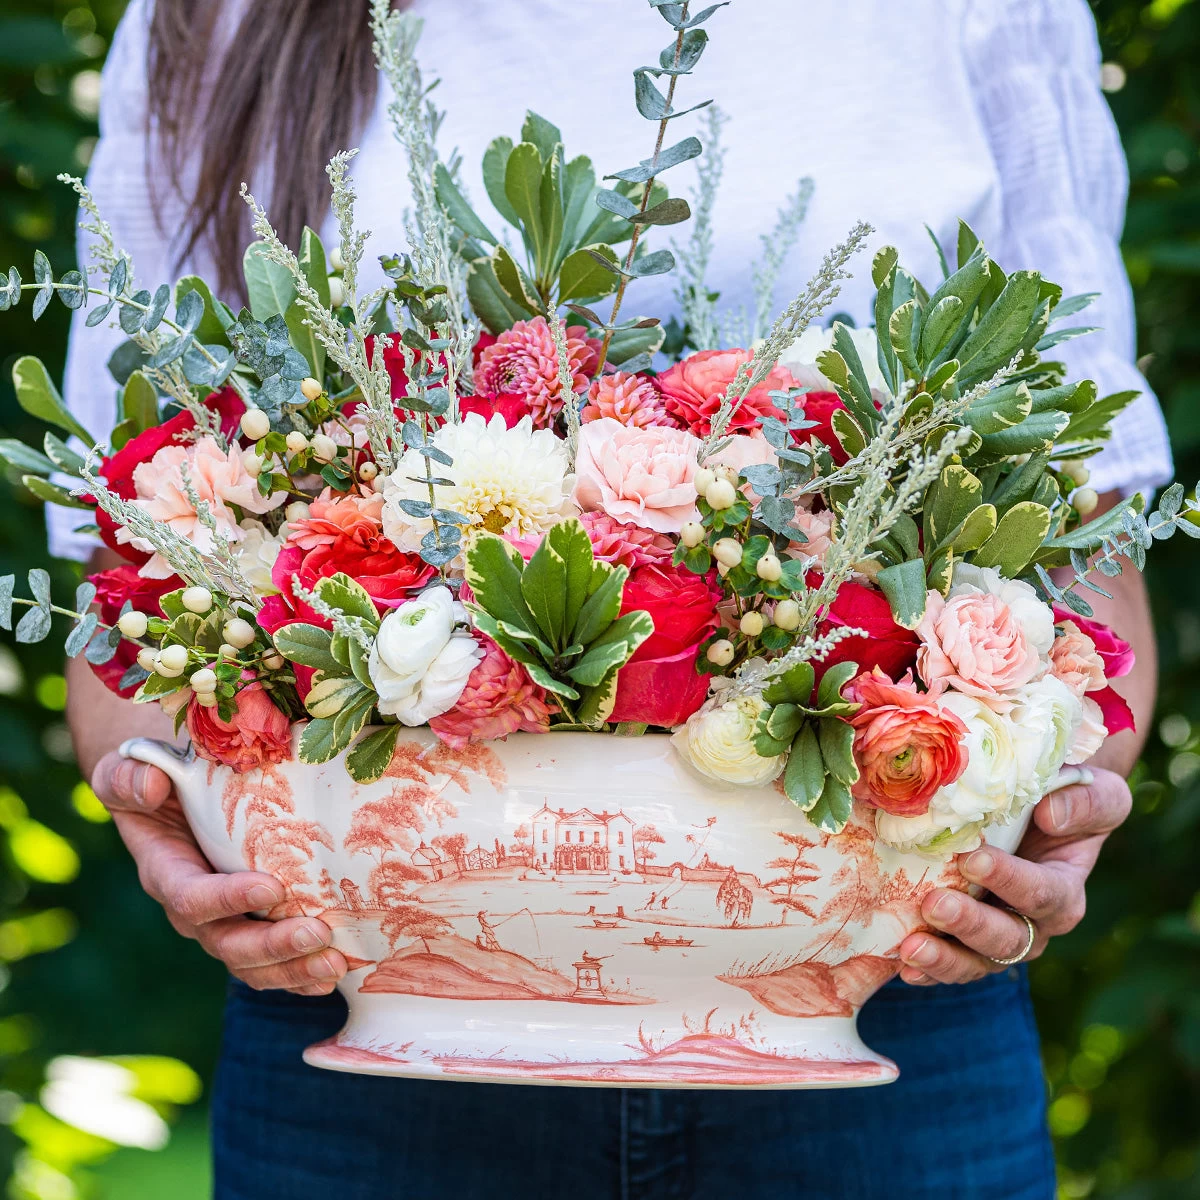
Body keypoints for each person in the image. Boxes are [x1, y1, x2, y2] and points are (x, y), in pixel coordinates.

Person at [59, 1, 1172, 1197]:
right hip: (368, 1023)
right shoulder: (217, 15)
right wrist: (180, 822)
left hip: (888, 1012)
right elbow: (131, 577)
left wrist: (1046, 818)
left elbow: (1085, 550)